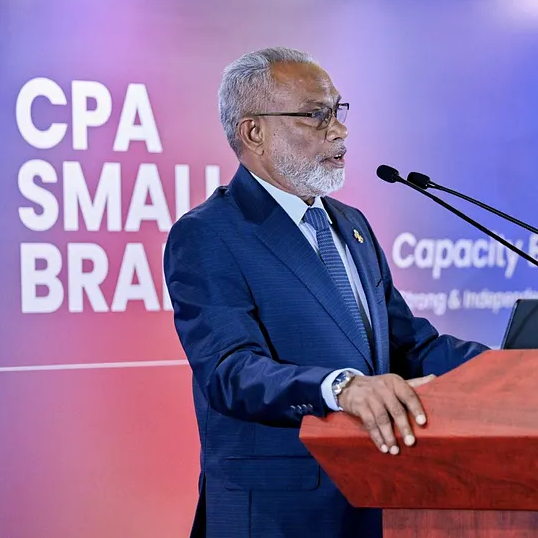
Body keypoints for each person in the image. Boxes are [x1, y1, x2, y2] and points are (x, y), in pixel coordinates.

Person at [163, 47, 488, 538]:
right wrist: (341, 388)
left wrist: (515, 369)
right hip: (277, 516)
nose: (339, 130)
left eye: (337, 111)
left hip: (375, 496)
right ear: (254, 132)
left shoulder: (350, 225)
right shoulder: (210, 233)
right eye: (315, 114)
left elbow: (409, 346)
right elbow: (230, 370)